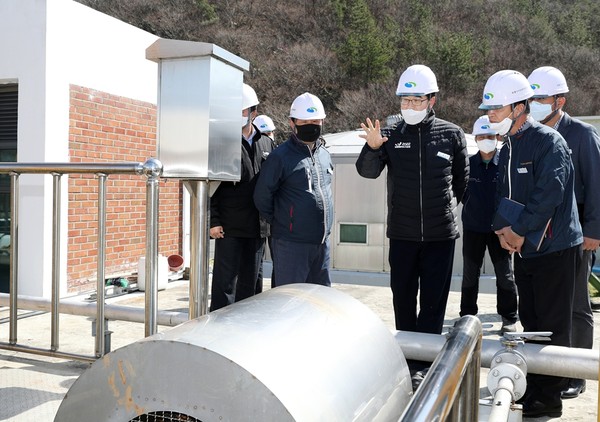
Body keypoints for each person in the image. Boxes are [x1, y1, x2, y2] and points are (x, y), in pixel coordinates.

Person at [480, 69, 582, 418]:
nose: (489, 114)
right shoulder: (509, 145)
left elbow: (547, 196)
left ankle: (549, 400)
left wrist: (519, 230)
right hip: (524, 247)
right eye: (488, 109)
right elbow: (504, 194)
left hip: (553, 248)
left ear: (519, 107)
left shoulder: (549, 142)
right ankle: (535, 389)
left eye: (496, 108)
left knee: (553, 324)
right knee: (531, 320)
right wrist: (503, 231)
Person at [356, 64, 469, 339]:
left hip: (439, 236)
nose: (409, 105)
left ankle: (427, 362)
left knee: (433, 305)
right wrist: (371, 148)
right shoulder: (391, 133)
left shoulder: (451, 134)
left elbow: (463, 183)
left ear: (432, 100)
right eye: (405, 100)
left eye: (416, 100)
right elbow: (367, 171)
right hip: (402, 235)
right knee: (403, 301)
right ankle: (408, 358)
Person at [528, 66, 600, 399]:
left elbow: (597, 186)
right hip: (539, 237)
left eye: (542, 98)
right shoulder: (529, 134)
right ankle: (546, 371)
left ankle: (576, 372)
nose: (537, 104)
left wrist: (594, 231)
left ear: (561, 100)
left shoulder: (582, 135)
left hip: (575, 236)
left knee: (575, 306)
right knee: (543, 306)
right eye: (532, 99)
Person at [254, 92, 333, 286]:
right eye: (304, 122)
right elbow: (262, 196)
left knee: (319, 301)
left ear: (323, 121)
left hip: (321, 243)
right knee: (290, 302)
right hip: (291, 245)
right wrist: (285, 221)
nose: (311, 126)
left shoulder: (324, 154)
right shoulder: (280, 157)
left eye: (315, 121)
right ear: (292, 123)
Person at [209, 83, 275, 311]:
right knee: (225, 284)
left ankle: (245, 328)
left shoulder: (267, 143)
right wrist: (213, 220)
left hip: (258, 226)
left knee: (252, 283)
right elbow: (211, 186)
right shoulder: (220, 142)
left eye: (242, 111)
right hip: (229, 226)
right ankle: (218, 328)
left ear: (253, 112)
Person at [459, 115, 518, 333]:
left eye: (491, 136)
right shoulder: (468, 164)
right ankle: (467, 316)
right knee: (469, 273)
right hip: (474, 227)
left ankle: (509, 318)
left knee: (504, 274)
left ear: (498, 137)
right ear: (475, 138)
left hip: (500, 229)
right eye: (482, 135)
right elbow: (461, 192)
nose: (486, 139)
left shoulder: (505, 163)